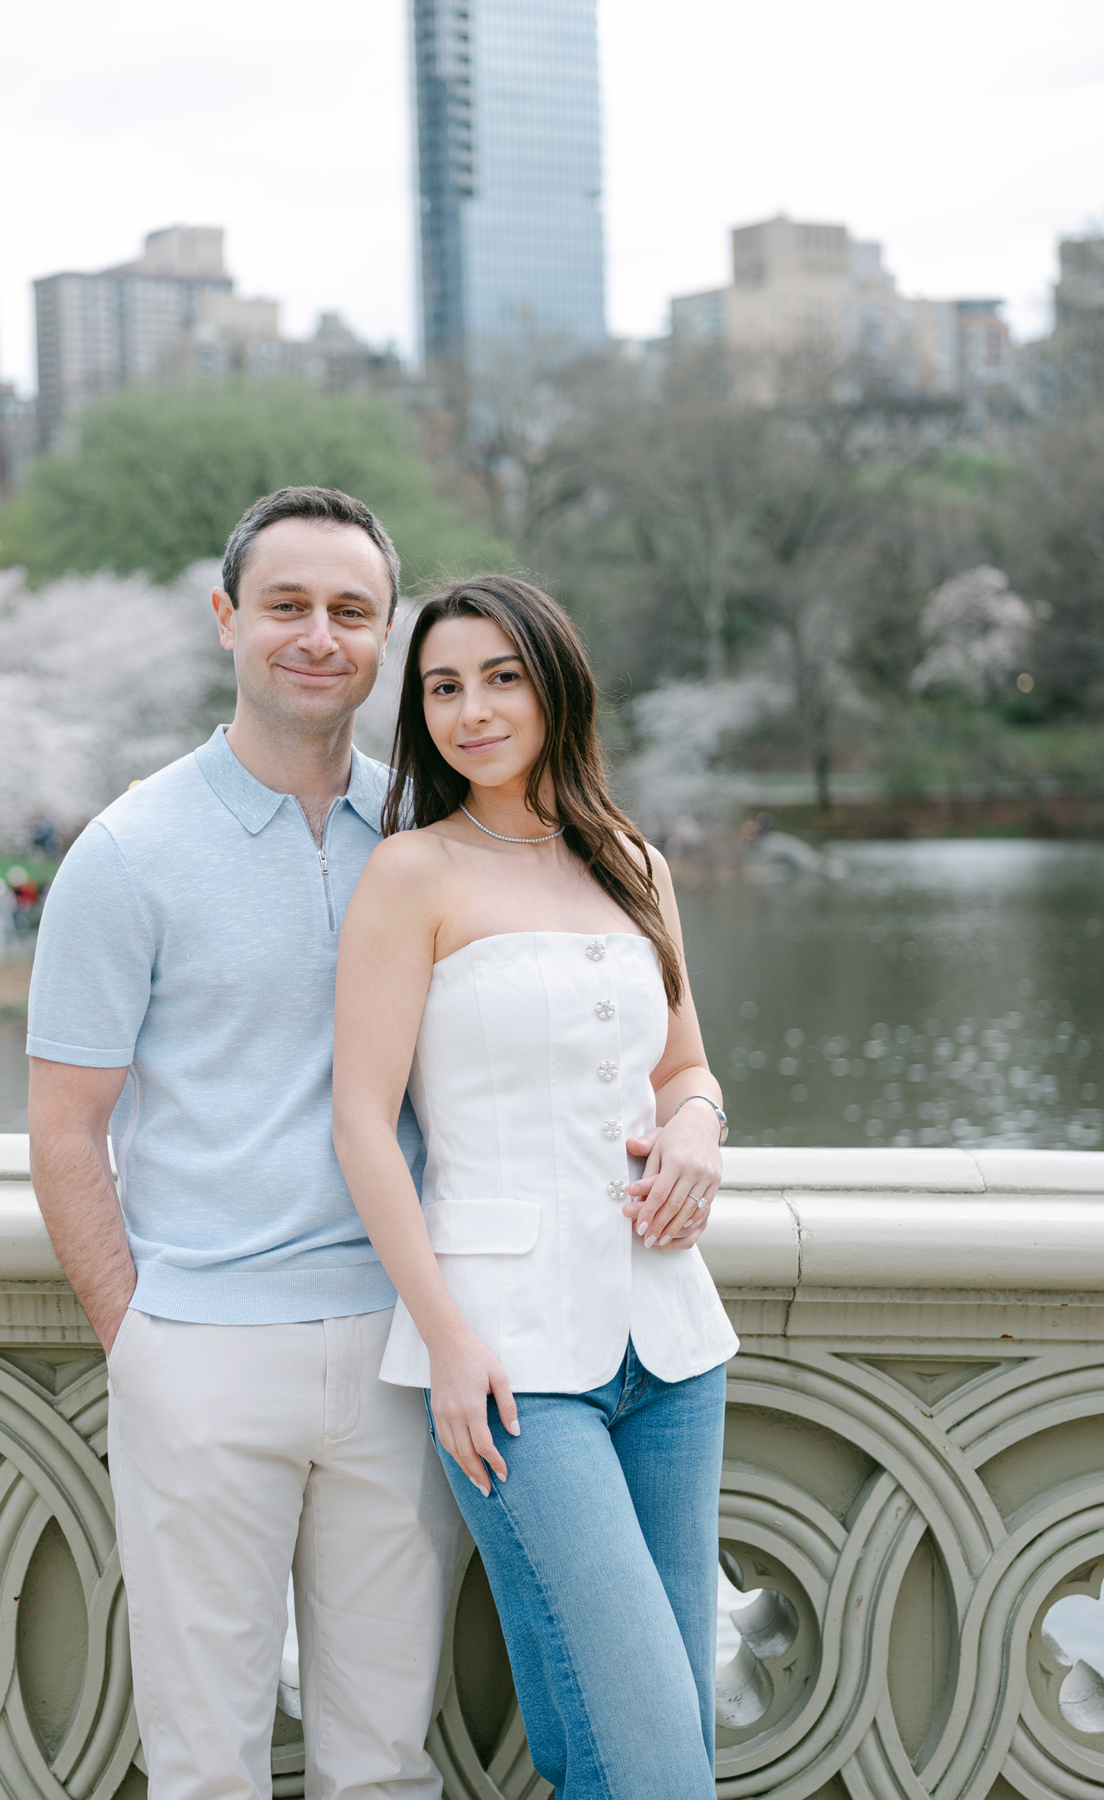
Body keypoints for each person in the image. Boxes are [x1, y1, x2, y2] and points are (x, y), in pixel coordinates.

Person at [27, 487, 462, 1800]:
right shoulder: (128, 851)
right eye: (287, 605)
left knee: (384, 1765)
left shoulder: (431, 839)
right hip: (202, 1352)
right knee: (206, 1765)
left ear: (385, 636)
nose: (318, 636)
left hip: (402, 1356)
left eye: (352, 611)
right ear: (227, 619)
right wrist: (141, 1341)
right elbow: (65, 1130)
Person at [331, 574, 735, 1800]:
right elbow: (361, 1122)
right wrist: (448, 1342)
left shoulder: (633, 862)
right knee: (655, 1758)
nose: (473, 711)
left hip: (672, 1340)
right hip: (509, 1364)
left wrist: (701, 1127)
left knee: (623, 1736)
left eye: (502, 678)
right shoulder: (412, 873)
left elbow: (685, 1067)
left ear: (557, 685)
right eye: (443, 687)